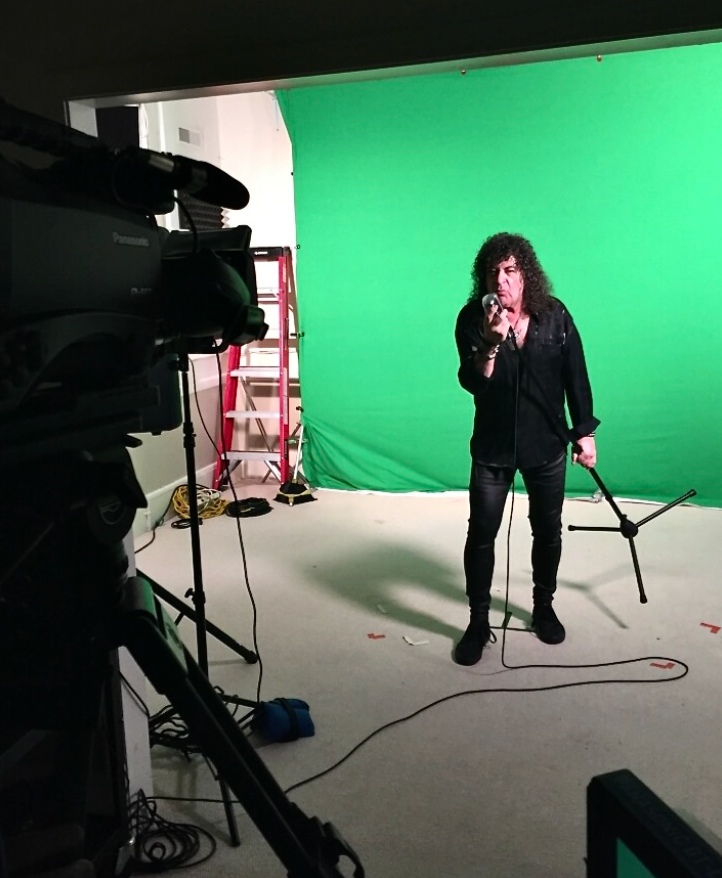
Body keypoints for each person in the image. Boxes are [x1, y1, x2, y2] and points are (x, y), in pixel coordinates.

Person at [453, 232, 599, 666]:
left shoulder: (555, 316)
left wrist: (584, 431)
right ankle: (479, 621)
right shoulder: (470, 320)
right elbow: (473, 382)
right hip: (493, 446)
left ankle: (543, 607)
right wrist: (492, 342)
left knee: (547, 530)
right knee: (481, 533)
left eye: (511, 271)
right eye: (494, 272)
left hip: (547, 443)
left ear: (526, 275)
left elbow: (576, 374)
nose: (501, 280)